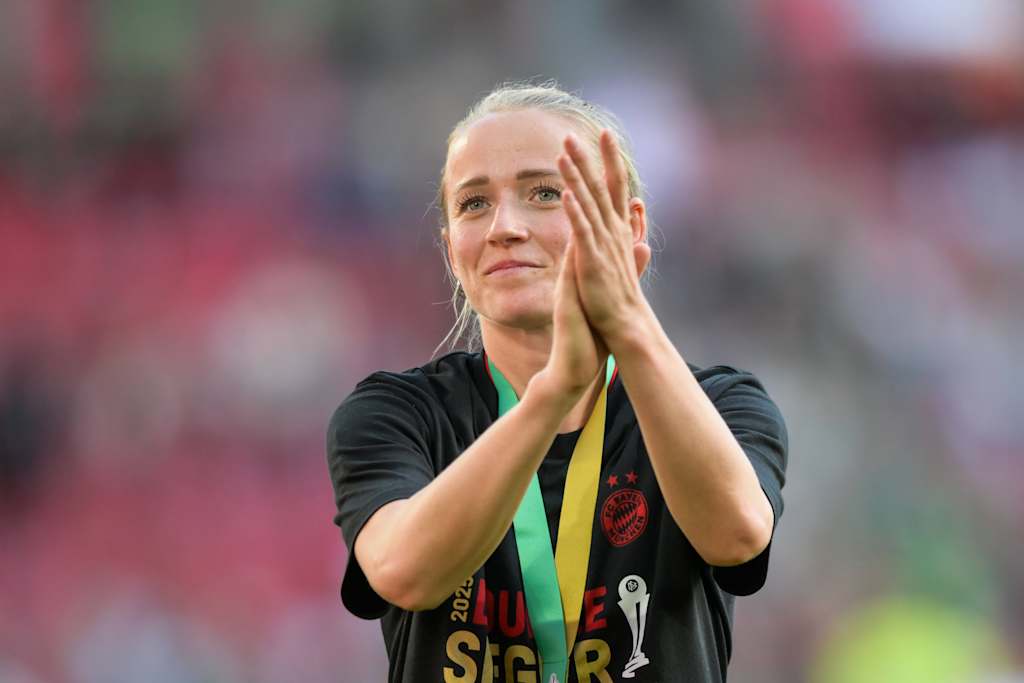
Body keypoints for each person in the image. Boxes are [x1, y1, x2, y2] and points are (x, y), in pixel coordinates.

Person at [326, 81, 788, 683]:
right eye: (473, 204)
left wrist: (626, 323)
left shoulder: (723, 405)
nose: (504, 227)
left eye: (544, 193)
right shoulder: (395, 414)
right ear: (451, 251)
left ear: (628, 225)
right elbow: (403, 573)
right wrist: (553, 394)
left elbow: (737, 536)